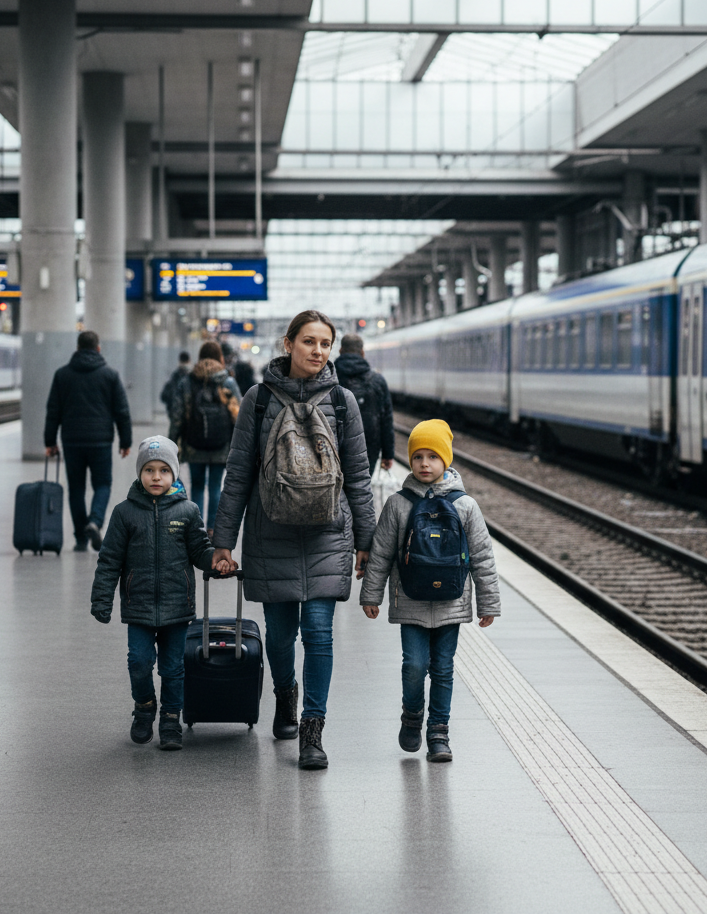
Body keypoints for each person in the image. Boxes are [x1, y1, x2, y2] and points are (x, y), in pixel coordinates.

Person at [212, 310, 376, 771]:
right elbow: (239, 471)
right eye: (309, 342)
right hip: (271, 532)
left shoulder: (344, 402)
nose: (317, 352)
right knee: (281, 637)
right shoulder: (258, 400)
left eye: (325, 344)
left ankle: (312, 729)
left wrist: (366, 539)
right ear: (288, 343)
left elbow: (358, 478)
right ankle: (285, 695)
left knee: (318, 634)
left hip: (328, 533)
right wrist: (223, 538)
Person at [359, 419, 500, 762]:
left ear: (446, 461)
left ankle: (439, 732)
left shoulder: (466, 506)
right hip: (411, 601)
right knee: (414, 666)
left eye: (433, 457)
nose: (424, 463)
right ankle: (412, 717)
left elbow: (482, 555)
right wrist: (370, 594)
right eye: (418, 456)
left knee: (443, 669)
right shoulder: (398, 504)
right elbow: (380, 552)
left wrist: (489, 602)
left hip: (451, 603)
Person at [90, 435, 236, 750]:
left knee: (173, 669)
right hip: (139, 607)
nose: (156, 477)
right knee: (139, 663)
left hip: (176, 607)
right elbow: (109, 560)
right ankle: (144, 706)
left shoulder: (187, 511)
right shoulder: (124, 513)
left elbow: (200, 552)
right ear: (140, 473)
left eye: (164, 471)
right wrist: (101, 599)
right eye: (149, 470)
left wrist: (217, 562)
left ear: (174, 474)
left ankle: (171, 718)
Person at [44, 329, 132, 552]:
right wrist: (125, 441)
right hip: (100, 440)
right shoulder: (110, 375)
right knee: (102, 483)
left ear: (77, 348)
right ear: (98, 348)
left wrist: (49, 441)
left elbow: (53, 411)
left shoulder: (62, 374)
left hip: (72, 440)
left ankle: (80, 538)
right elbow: (122, 410)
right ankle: (95, 521)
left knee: (76, 488)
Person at [167, 341, 241, 536]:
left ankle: (197, 528)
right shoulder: (228, 381)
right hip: (221, 444)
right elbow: (238, 415)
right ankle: (212, 529)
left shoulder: (188, 381)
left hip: (194, 443)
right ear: (220, 358)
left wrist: (172, 442)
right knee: (216, 486)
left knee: (197, 485)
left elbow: (178, 415)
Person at [334, 333, 395, 475]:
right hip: (369, 447)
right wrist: (388, 454)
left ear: (340, 351)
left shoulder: (329, 378)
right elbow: (386, 420)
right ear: (362, 353)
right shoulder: (377, 381)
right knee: (362, 488)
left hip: (336, 446)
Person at [160, 351, 192, 420]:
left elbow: (164, 396)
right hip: (189, 415)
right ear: (189, 361)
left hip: (175, 413)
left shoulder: (175, 376)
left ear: (179, 361)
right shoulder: (192, 376)